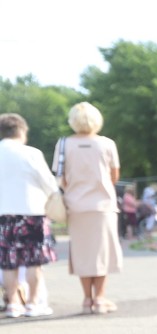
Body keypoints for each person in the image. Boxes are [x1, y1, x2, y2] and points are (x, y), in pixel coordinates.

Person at [51, 102, 122, 315]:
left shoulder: (63, 143)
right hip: (103, 205)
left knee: (83, 253)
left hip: (76, 205)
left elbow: (60, 177)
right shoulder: (107, 144)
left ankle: (87, 299)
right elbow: (114, 176)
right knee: (102, 253)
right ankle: (100, 299)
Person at [0, 113, 58, 318]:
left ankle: (13, 304)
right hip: (32, 211)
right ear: (22, 131)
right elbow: (49, 184)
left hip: (4, 214)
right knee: (34, 261)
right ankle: (33, 303)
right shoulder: (31, 153)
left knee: (8, 262)